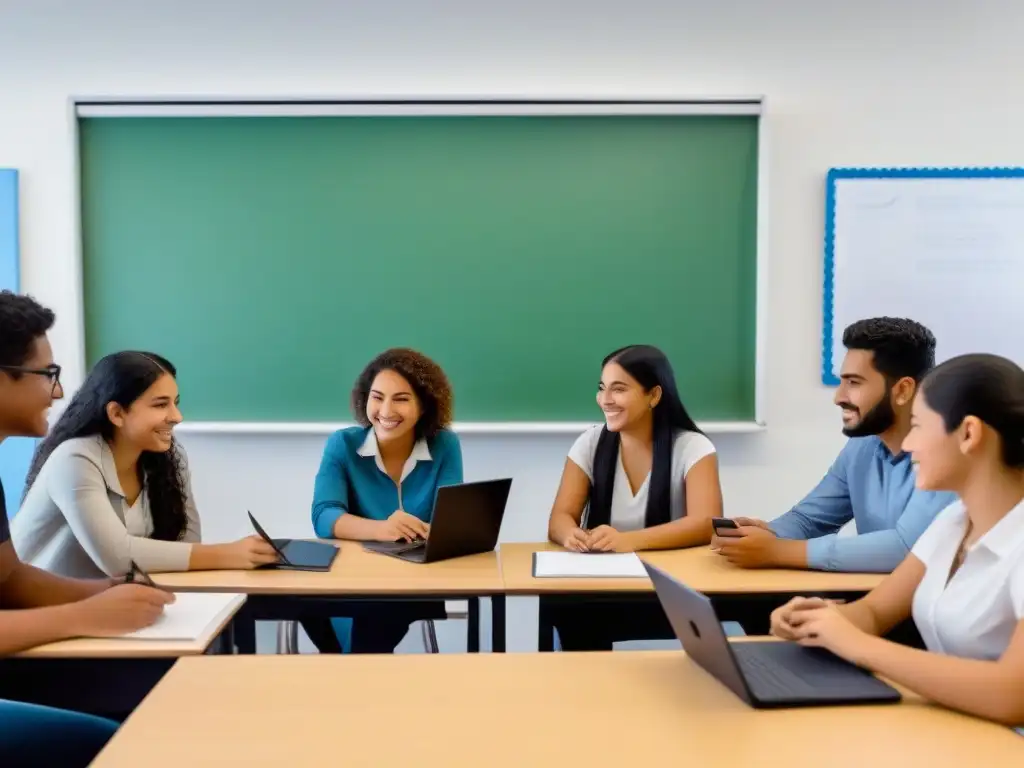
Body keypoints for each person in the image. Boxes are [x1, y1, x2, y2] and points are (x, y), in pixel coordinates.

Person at [771, 353, 1024, 727]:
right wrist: (818, 619)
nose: (907, 446)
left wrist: (857, 646)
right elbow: (873, 613)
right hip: (960, 732)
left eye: (918, 427)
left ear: (968, 433)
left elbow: (1011, 696)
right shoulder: (952, 523)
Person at [0, 291, 173, 767]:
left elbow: (9, 578)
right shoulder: (76, 457)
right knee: (105, 743)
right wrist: (88, 615)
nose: (58, 392)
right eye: (47, 375)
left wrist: (103, 591)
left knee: (164, 687)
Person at [715, 317, 956, 572]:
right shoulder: (862, 446)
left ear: (903, 390)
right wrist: (761, 535)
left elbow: (906, 549)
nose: (838, 397)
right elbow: (809, 520)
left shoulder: (950, 453)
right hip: (874, 598)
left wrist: (777, 550)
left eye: (853, 383)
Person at [11, 350, 278, 579]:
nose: (176, 417)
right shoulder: (75, 459)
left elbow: (187, 542)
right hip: (36, 612)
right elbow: (116, 558)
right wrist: (229, 554)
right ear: (117, 413)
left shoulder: (167, 457)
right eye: (161, 405)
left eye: (175, 403)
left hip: (104, 602)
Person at [546, 345, 723, 650]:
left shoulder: (692, 446)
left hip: (674, 587)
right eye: (602, 389)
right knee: (566, 609)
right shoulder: (591, 442)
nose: (605, 400)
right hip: (605, 588)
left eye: (619, 389)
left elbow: (705, 522)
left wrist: (629, 541)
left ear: (654, 395)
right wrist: (570, 535)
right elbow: (560, 518)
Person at [305, 348, 463, 653]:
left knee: (374, 618)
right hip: (352, 577)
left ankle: (353, 681)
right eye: (377, 397)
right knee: (304, 605)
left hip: (415, 581)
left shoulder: (445, 445)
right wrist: (383, 529)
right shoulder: (343, 444)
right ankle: (349, 679)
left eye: (401, 399)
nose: (386, 410)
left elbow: (449, 522)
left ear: (424, 406)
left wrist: (433, 531)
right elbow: (324, 517)